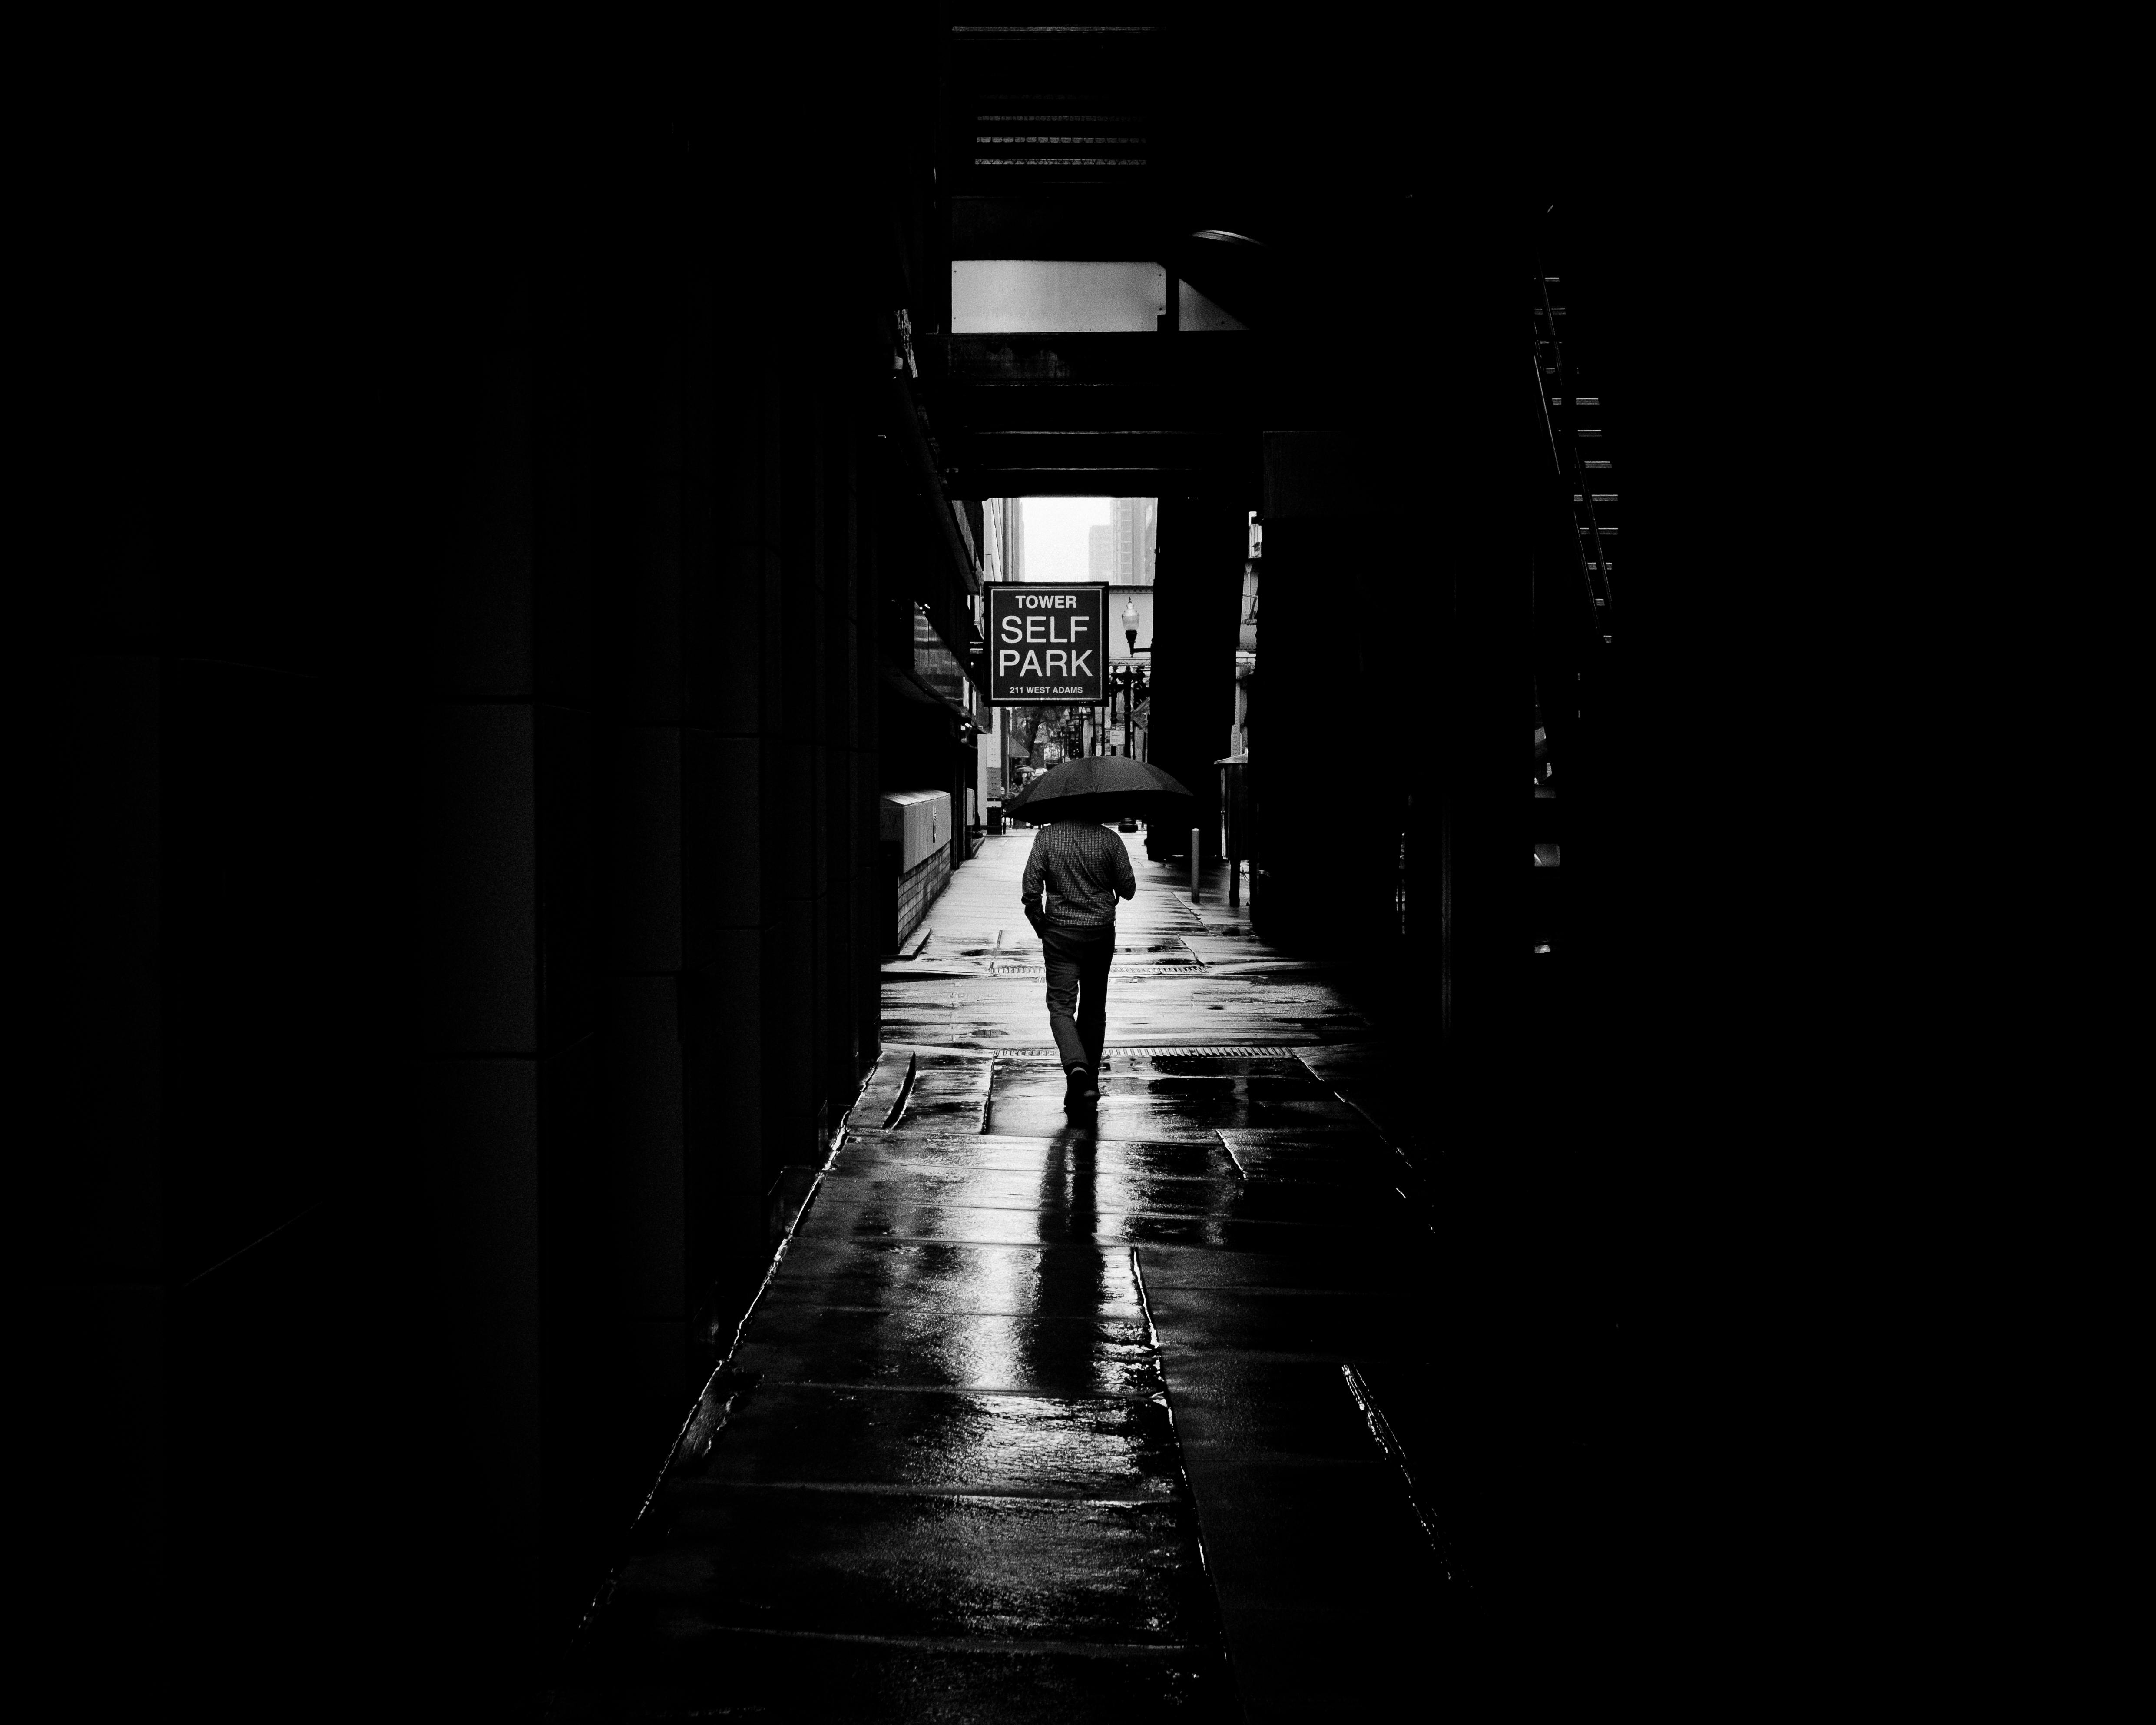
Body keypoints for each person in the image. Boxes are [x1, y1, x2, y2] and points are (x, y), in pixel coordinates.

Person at [1021, 815, 1136, 1112]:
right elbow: (1128, 889)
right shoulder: (1110, 840)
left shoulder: (1047, 838)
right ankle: (1091, 1082)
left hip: (1060, 933)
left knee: (1061, 1007)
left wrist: (1041, 926)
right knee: (1094, 1009)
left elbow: (1031, 890)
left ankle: (1076, 1069)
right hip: (1100, 932)